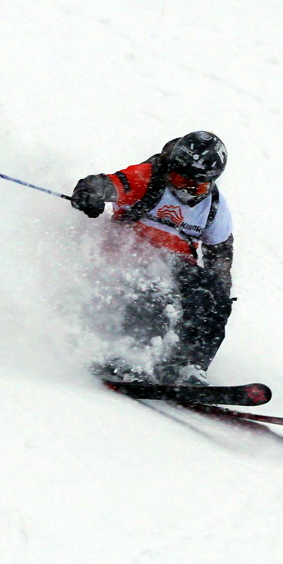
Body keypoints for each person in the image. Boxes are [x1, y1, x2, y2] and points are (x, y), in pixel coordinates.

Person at [70, 131, 234, 384]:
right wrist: (89, 195)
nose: (186, 189)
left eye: (196, 185)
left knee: (210, 296)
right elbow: (103, 184)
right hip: (130, 253)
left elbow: (221, 253)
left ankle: (187, 364)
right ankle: (130, 355)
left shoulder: (213, 205)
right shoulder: (148, 177)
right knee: (153, 288)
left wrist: (220, 290)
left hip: (177, 262)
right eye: (179, 179)